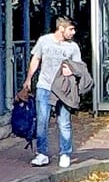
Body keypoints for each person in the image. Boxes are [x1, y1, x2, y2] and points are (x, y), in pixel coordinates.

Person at [22, 16, 82, 168]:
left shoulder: (73, 47)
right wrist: (29, 78)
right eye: (71, 29)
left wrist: (73, 71)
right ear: (61, 28)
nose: (73, 32)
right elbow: (36, 59)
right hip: (44, 86)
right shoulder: (44, 41)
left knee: (64, 122)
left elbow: (79, 66)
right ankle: (42, 153)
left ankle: (65, 153)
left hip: (63, 89)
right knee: (42, 121)